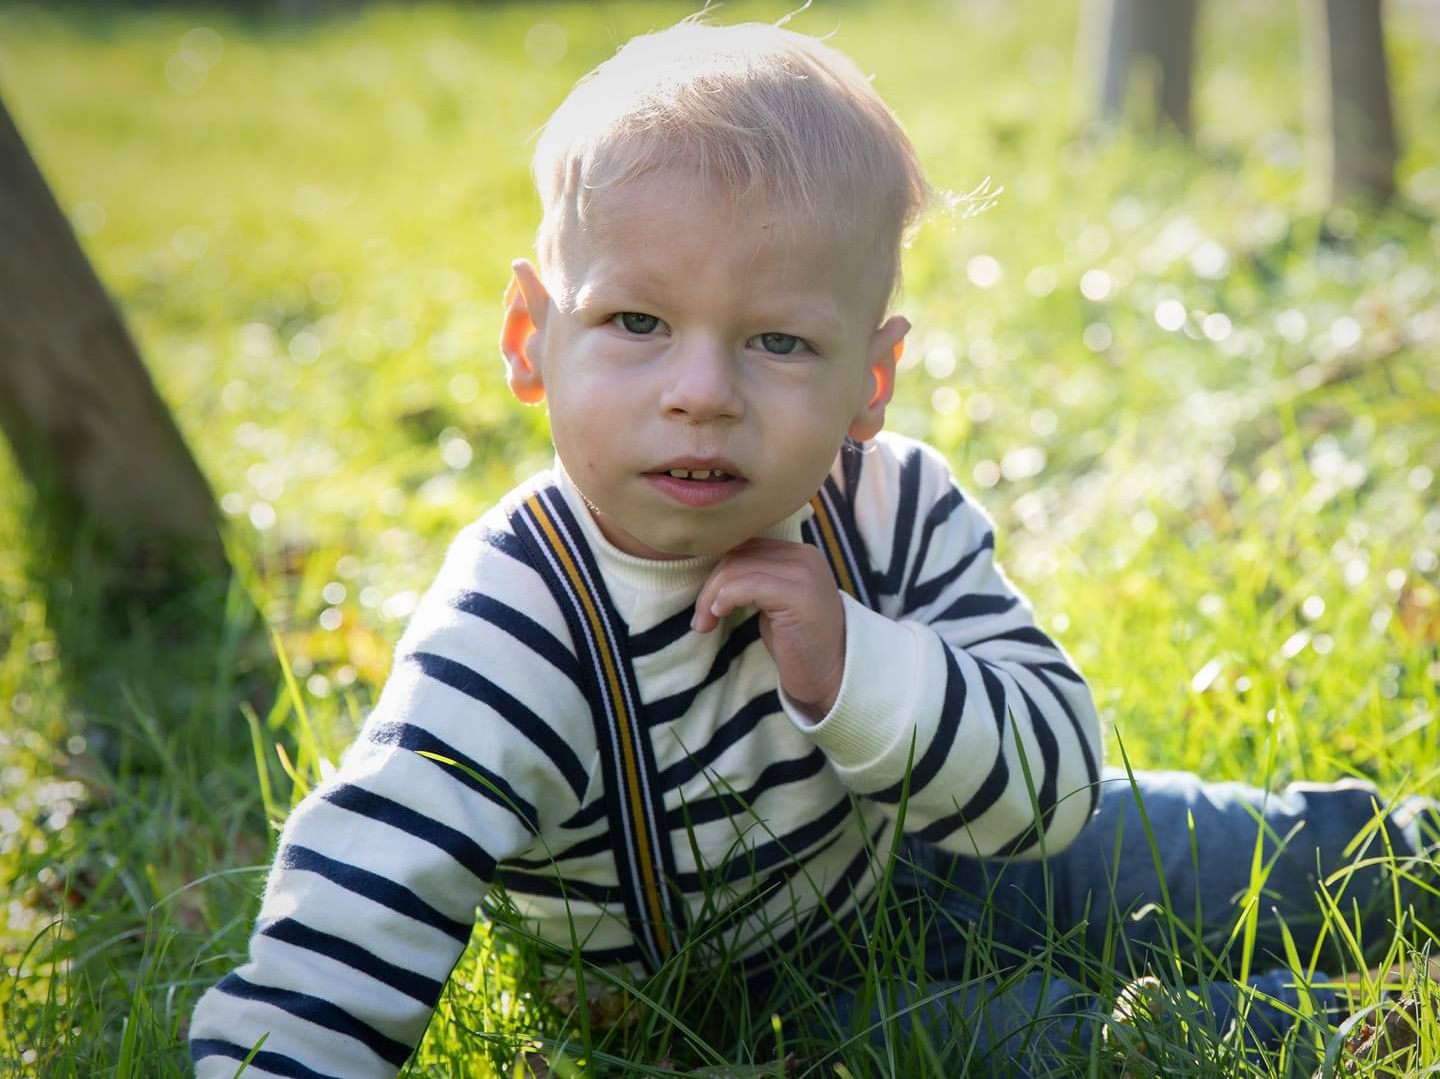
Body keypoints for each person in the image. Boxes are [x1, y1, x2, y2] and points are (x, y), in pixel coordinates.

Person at [189, 18, 1434, 1078]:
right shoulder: (520, 621)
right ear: (529, 338)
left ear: (870, 377)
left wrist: (858, 666)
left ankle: (1412, 862)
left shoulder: (889, 504)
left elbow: (1054, 783)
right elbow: (363, 891)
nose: (701, 391)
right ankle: (1348, 1026)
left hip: (937, 848)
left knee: (1209, 848)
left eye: (778, 342)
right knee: (1057, 1039)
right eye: (636, 320)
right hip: (743, 1005)